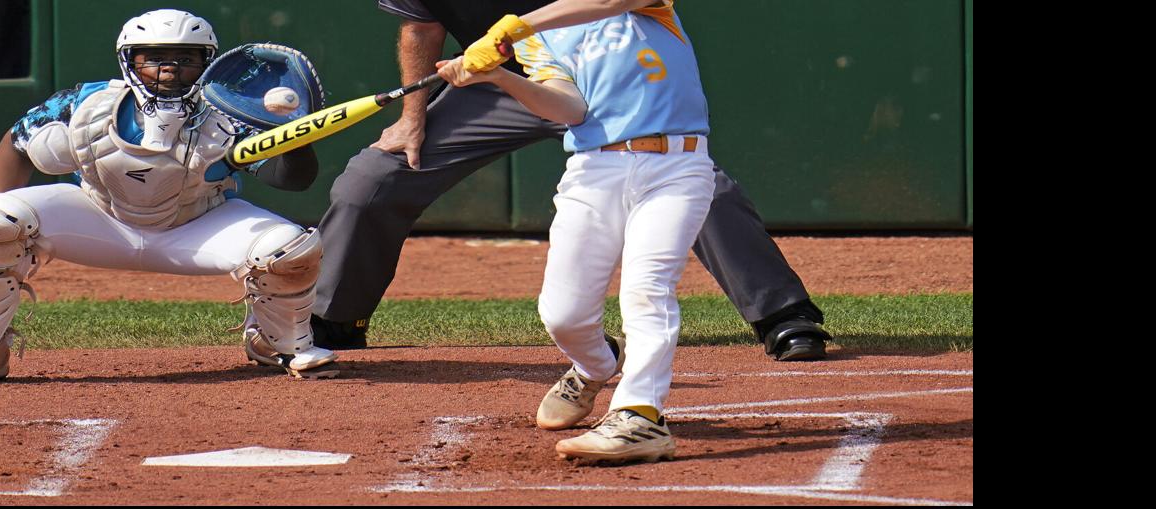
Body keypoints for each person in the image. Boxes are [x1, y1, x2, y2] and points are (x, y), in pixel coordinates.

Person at [311, 0, 833, 363]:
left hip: (608, 66)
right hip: (503, 82)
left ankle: (782, 315)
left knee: (695, 183)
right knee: (374, 177)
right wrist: (412, 115)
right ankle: (333, 321)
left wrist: (515, 27)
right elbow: (421, 29)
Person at [0, 8, 338, 385]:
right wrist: (7, 233)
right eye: (153, 57)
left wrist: (296, 138)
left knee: (289, 249)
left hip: (197, 226)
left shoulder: (228, 115)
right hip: (98, 217)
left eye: (186, 59)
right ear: (129, 60)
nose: (169, 69)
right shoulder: (83, 103)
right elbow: (15, 144)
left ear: (207, 62)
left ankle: (277, 342)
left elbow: (293, 180)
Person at [437, 0, 721, 463]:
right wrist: (501, 77)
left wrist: (512, 27)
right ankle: (595, 365)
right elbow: (570, 109)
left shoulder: (641, 8)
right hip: (594, 169)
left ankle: (640, 417)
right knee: (562, 315)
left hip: (677, 165)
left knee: (647, 289)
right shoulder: (537, 37)